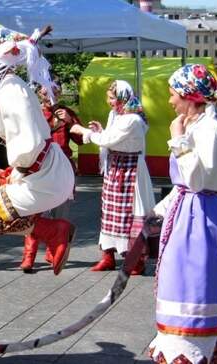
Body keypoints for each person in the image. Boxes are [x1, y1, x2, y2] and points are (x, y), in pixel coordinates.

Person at [0, 23, 75, 276]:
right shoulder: (8, 87)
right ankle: (49, 230)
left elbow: (28, 146)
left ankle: (55, 231)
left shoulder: (11, 90)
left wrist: (14, 172)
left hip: (43, 176)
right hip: (40, 171)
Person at [147, 64, 217, 364]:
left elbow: (197, 182)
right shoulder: (198, 126)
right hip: (192, 215)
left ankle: (194, 351)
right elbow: (184, 186)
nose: (170, 101)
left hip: (202, 221)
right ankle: (183, 350)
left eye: (173, 94)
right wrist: (157, 211)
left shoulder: (209, 129)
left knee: (195, 288)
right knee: (181, 286)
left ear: (189, 97)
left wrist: (177, 139)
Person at [70, 80, 155, 275]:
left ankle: (135, 259)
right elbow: (110, 137)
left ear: (123, 97)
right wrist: (100, 131)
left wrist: (86, 132)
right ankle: (108, 256)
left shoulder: (133, 118)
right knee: (110, 212)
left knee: (130, 214)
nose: (109, 101)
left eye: (112, 97)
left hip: (130, 168)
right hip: (116, 166)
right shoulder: (116, 114)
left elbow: (110, 140)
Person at [20, 83, 84, 272]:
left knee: (60, 211)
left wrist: (71, 122)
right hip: (39, 168)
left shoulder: (66, 112)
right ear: (40, 93)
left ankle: (53, 252)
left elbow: (80, 141)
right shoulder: (33, 112)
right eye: (46, 91)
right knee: (34, 213)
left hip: (62, 169)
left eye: (54, 91)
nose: (50, 95)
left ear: (60, 92)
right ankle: (28, 257)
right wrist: (53, 125)